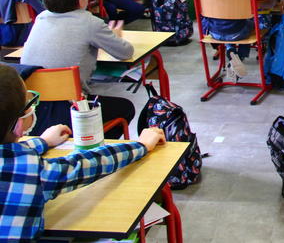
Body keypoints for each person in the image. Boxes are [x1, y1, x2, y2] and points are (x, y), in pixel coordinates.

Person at [0, 64, 166, 242]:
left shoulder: (22, 162)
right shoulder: (33, 171)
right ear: (19, 124)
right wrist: (140, 145)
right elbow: (89, 163)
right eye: (31, 102)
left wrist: (43, 142)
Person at [20, 0, 135, 138]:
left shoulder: (41, 18)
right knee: (126, 108)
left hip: (33, 113)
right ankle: (92, 144)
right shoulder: (90, 23)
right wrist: (114, 36)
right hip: (73, 112)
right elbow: (126, 52)